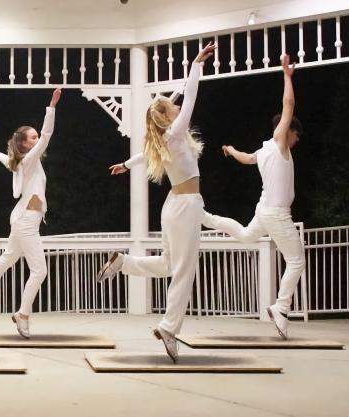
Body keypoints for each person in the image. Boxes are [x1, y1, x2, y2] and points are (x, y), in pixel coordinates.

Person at [97, 42, 216, 363]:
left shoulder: (162, 139)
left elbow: (142, 155)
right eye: (171, 107)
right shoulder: (174, 132)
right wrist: (196, 64)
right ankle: (168, 327)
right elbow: (190, 97)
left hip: (173, 206)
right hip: (186, 206)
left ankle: (124, 263)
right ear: (167, 114)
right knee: (183, 270)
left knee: (168, 264)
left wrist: (125, 163)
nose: (177, 109)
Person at [201, 55, 303, 339]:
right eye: (296, 137)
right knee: (296, 261)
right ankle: (281, 308)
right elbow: (289, 105)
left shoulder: (264, 150)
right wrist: (287, 76)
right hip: (278, 214)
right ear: (288, 131)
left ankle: (208, 218)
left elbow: (246, 159)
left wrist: (231, 149)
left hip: (263, 211)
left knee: (246, 235)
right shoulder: (280, 142)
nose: (296, 142)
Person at [0, 88, 62, 339]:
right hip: (25, 222)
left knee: (9, 257)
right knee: (40, 271)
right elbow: (47, 134)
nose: (37, 140)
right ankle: (22, 314)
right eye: (31, 138)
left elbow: (5, 158)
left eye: (35, 137)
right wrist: (52, 106)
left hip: (22, 218)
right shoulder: (29, 161)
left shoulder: (21, 162)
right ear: (25, 144)